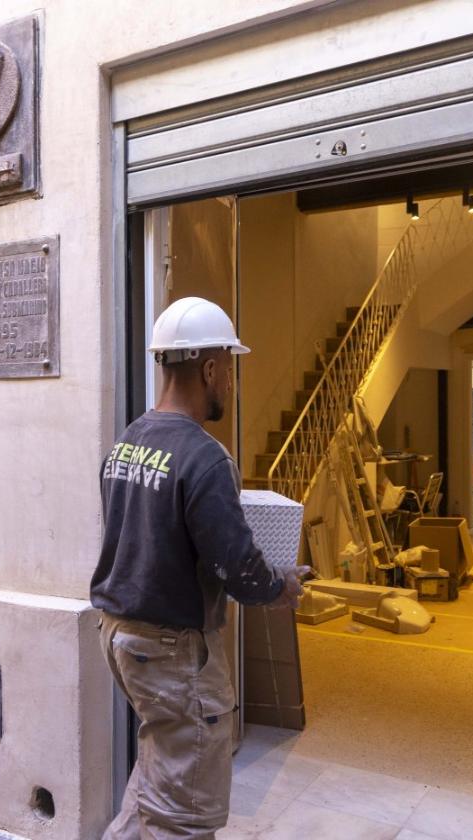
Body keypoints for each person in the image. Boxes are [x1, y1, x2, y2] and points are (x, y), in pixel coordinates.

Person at [91, 296, 309, 839]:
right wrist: (278, 586)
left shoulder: (128, 442)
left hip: (121, 636)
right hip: (172, 650)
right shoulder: (206, 458)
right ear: (209, 369)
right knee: (184, 815)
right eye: (228, 369)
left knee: (159, 777)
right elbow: (235, 566)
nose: (230, 384)